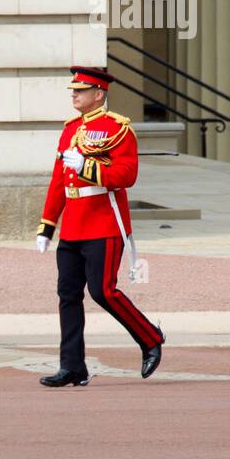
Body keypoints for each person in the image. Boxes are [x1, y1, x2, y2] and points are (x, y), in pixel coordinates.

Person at [35, 66, 164, 387]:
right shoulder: (68, 130)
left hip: (104, 222)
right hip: (74, 224)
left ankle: (150, 338)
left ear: (99, 94)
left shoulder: (118, 129)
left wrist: (88, 166)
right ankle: (72, 367)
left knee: (103, 291)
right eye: (73, 90)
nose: (74, 94)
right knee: (67, 294)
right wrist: (47, 225)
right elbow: (58, 182)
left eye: (80, 90)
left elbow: (126, 175)